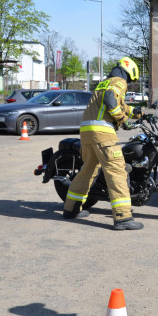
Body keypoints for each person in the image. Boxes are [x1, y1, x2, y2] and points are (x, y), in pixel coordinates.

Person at [62, 57, 144, 230]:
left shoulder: (104, 83)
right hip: (103, 133)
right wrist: (123, 120)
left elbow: (117, 103)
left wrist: (138, 113)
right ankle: (123, 218)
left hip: (87, 131)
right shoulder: (119, 81)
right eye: (131, 79)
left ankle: (71, 209)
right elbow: (110, 99)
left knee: (87, 171)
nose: (129, 82)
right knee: (117, 172)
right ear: (129, 71)